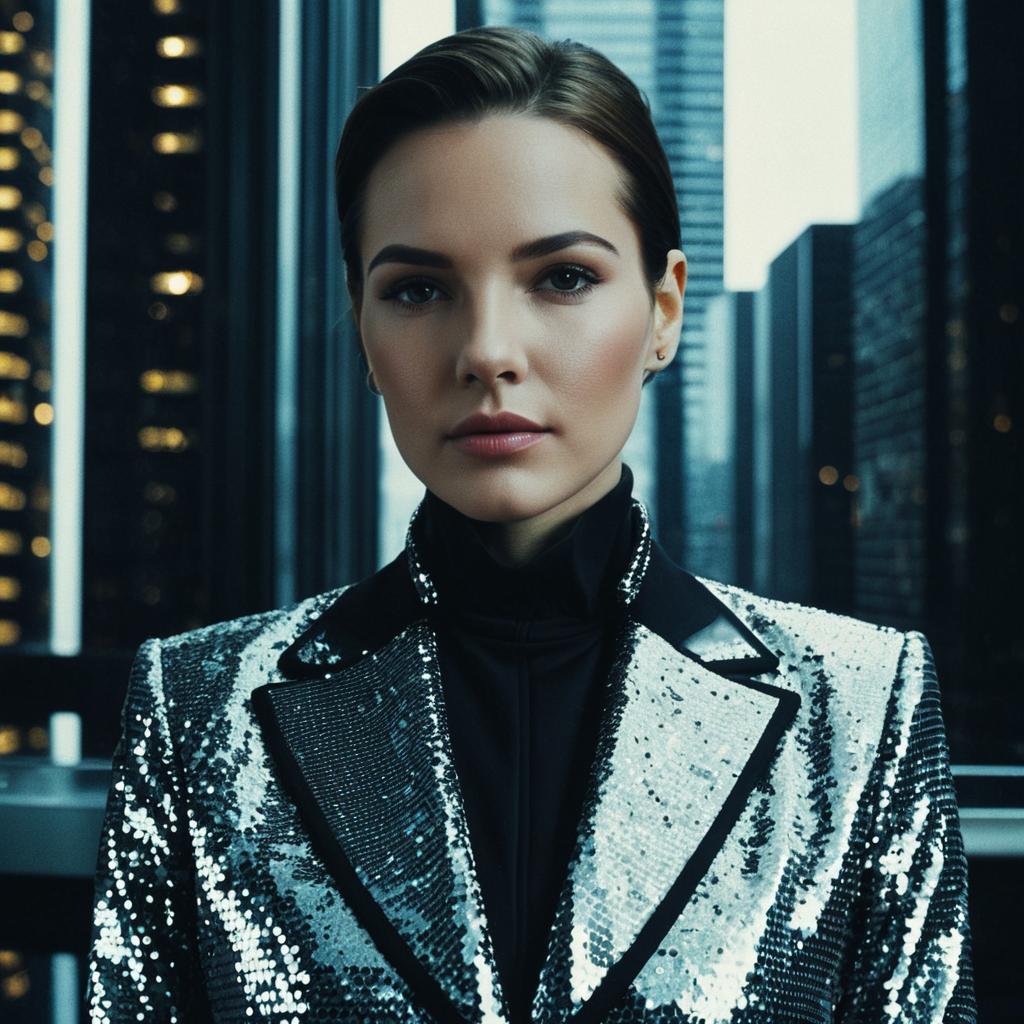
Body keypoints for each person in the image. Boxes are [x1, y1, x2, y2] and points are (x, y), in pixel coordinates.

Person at [85, 25, 976, 1024]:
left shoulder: (856, 705)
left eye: (561, 277)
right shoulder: (197, 707)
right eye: (418, 289)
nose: (487, 351)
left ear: (664, 310)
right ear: (362, 326)